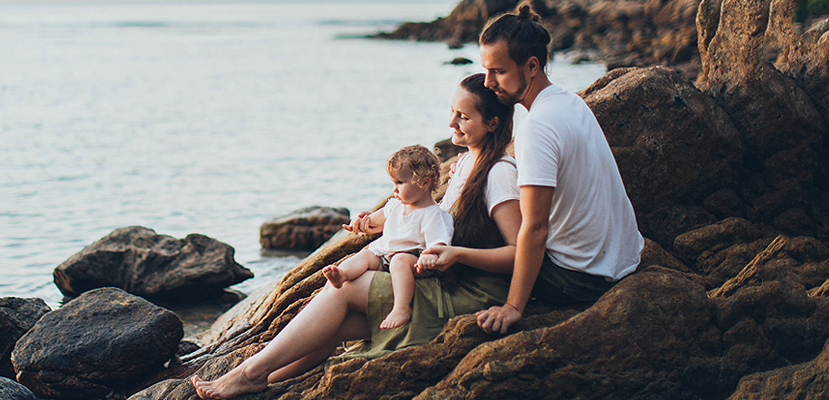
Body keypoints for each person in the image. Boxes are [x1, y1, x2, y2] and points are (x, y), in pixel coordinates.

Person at [191, 73, 521, 399]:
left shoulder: (499, 174)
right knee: (341, 321)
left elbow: (519, 254)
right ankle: (269, 378)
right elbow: (430, 216)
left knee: (342, 289)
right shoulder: (464, 163)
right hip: (443, 277)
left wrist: (459, 256)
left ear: (492, 123)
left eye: (463, 116)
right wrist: (380, 223)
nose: (451, 123)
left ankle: (249, 373)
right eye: (451, 111)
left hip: (469, 292)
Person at [472, 4, 643, 335]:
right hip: (623, 260)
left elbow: (535, 229)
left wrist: (513, 307)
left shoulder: (536, 127)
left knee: (478, 229)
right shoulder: (567, 100)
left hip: (581, 278)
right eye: (486, 70)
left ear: (531, 66)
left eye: (498, 71)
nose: (488, 82)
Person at [322, 145, 453, 330]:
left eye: (400, 183)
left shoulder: (434, 215)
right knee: (366, 254)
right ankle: (343, 275)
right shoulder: (396, 206)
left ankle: (401, 308)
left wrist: (429, 256)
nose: (394, 190)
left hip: (414, 261)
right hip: (386, 256)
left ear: (424, 183)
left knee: (399, 261)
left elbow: (439, 243)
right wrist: (359, 223)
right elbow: (375, 219)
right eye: (393, 184)